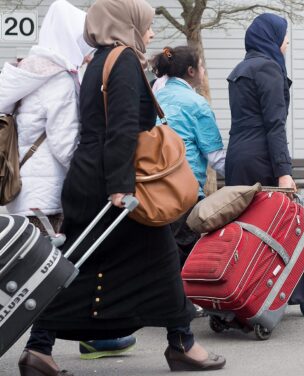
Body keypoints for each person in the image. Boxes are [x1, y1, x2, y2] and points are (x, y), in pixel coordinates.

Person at [15, 0, 226, 375]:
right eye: (145, 22)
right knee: (157, 258)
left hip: (89, 177)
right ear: (125, 23)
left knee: (79, 264)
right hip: (113, 182)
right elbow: (124, 126)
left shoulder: (97, 59)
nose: (150, 30)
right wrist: (119, 187)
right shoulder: (125, 59)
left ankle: (39, 349)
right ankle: (181, 345)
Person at [0, 0, 138, 363]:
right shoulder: (58, 79)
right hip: (47, 195)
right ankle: (40, 347)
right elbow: (65, 145)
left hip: (20, 189)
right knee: (48, 277)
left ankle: (75, 340)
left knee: (26, 275)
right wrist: (95, 168)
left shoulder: (23, 73)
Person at [225, 13, 304, 316]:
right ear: (272, 37)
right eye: (285, 36)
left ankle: (240, 294)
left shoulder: (240, 69)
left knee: (246, 230)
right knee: (286, 225)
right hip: (262, 156)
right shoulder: (269, 69)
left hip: (238, 157)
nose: (286, 43)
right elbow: (274, 126)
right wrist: (284, 172)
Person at [152, 46, 226, 265]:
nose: (204, 71)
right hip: (184, 189)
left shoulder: (154, 97)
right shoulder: (197, 104)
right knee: (184, 257)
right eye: (202, 66)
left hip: (152, 188)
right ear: (192, 71)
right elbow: (216, 157)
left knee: (161, 256)